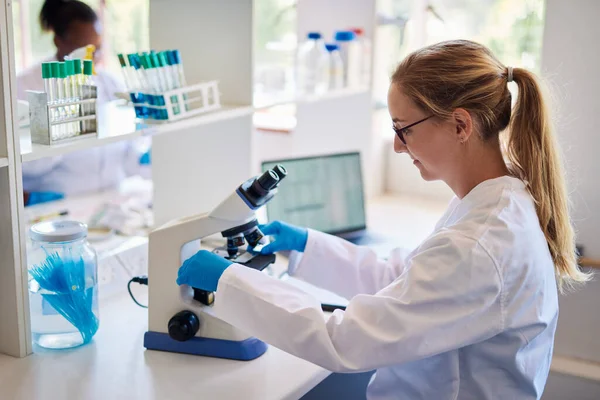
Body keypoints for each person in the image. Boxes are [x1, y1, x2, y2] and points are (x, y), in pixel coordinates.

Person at [176, 40, 590, 399]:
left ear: (461, 125)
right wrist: (307, 242)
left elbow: (344, 340)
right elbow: (407, 277)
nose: (395, 145)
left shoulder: (480, 243)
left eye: (403, 128)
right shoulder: (498, 201)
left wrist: (230, 281)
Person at [17, 0, 149, 203]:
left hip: (114, 203)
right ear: (58, 41)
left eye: (97, 48)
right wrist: (62, 135)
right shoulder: (25, 85)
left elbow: (127, 157)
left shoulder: (109, 83)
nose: (94, 57)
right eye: (85, 49)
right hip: (58, 206)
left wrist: (142, 151)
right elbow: (23, 163)